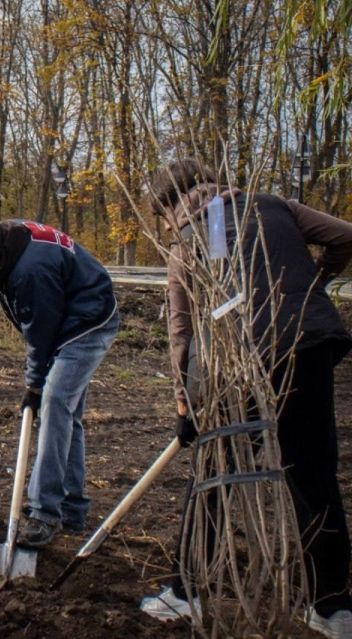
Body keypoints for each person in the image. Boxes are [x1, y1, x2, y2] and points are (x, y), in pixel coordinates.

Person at [140, 159, 352, 639]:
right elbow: (345, 236)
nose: (168, 224)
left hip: (244, 360)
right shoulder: (274, 204)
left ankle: (184, 593)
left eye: (163, 215)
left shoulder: (186, 242)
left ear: (171, 206)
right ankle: (334, 609)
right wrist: (313, 283)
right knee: (315, 476)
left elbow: (182, 332)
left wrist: (184, 404)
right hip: (306, 341)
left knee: (215, 473)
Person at [0, 210, 119, 547]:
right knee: (66, 413)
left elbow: (40, 332)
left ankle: (44, 513)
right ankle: (72, 508)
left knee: (55, 403)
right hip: (73, 317)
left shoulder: (28, 270)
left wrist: (34, 384)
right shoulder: (8, 243)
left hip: (88, 322)